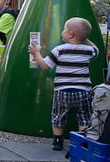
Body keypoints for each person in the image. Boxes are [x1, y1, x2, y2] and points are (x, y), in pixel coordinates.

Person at [30, 17, 99, 151]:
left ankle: (57, 140)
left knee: (58, 115)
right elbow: (96, 49)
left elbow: (44, 65)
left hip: (62, 91)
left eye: (64, 29)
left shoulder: (59, 50)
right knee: (84, 116)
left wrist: (36, 53)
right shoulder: (88, 50)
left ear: (70, 34)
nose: (62, 32)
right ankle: (82, 140)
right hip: (83, 91)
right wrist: (84, 38)